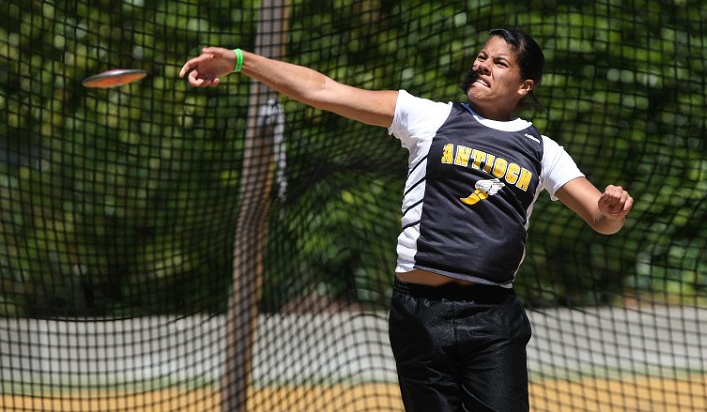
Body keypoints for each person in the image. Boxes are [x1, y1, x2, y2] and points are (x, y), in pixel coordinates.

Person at [180, 28, 633, 412]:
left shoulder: (541, 149)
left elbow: (601, 219)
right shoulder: (430, 117)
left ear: (524, 85)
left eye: (498, 62)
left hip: (491, 318)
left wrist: (611, 208)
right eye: (481, 56)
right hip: (419, 314)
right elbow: (321, 89)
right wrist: (240, 61)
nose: (482, 65)